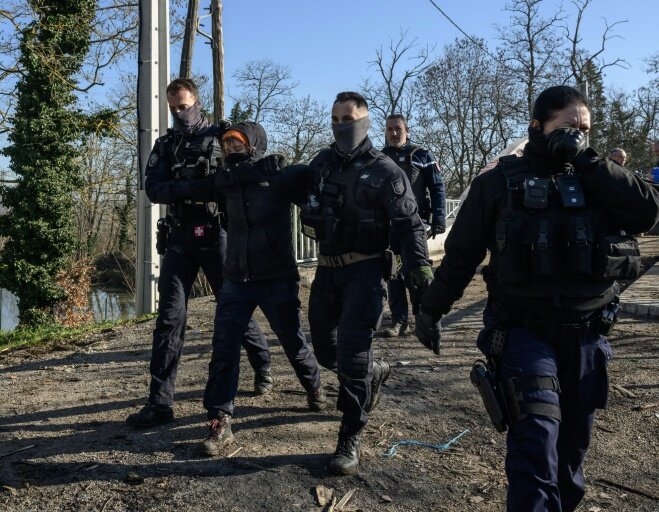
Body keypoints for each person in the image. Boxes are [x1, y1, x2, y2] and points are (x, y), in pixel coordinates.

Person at [415, 86, 659, 511]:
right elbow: (461, 256)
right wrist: (431, 310)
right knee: (535, 443)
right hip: (523, 333)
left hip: (587, 336)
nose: (578, 135)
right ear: (537, 126)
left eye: (585, 129)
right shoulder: (498, 183)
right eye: (568, 127)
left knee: (571, 455)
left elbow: (651, 210)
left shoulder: (599, 178)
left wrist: (587, 160)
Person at [126, 78, 272, 428]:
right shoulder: (166, 144)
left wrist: (185, 188)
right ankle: (160, 403)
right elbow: (154, 189)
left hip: (216, 234)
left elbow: (235, 179)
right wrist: (197, 188)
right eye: (173, 107)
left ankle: (262, 363)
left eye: (184, 106)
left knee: (232, 307)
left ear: (197, 102)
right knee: (169, 319)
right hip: (180, 237)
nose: (179, 112)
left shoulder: (224, 138)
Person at [300, 91, 432, 475]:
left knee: (353, 356)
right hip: (326, 272)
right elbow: (294, 193)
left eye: (349, 119)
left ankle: (350, 434)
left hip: (366, 272)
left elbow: (409, 225)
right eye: (336, 119)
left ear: (366, 121)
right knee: (326, 352)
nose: (341, 125)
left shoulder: (386, 170)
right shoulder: (321, 163)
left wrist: (421, 272)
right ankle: (373, 371)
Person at [200, 122, 326, 456]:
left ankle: (314, 386)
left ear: (254, 144)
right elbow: (189, 187)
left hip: (275, 278)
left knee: (293, 342)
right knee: (224, 349)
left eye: (238, 142)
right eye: (227, 143)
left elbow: (314, 178)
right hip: (235, 280)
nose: (231, 147)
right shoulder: (226, 181)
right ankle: (219, 419)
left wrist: (286, 164)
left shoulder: (278, 176)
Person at [379, 114, 446, 337]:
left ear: (407, 131)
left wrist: (439, 218)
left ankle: (423, 318)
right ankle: (399, 320)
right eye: (389, 129)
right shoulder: (379, 158)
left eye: (398, 129)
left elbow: (437, 188)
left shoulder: (422, 155)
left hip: (415, 225)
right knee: (393, 272)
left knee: (418, 272)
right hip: (388, 227)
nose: (393, 133)